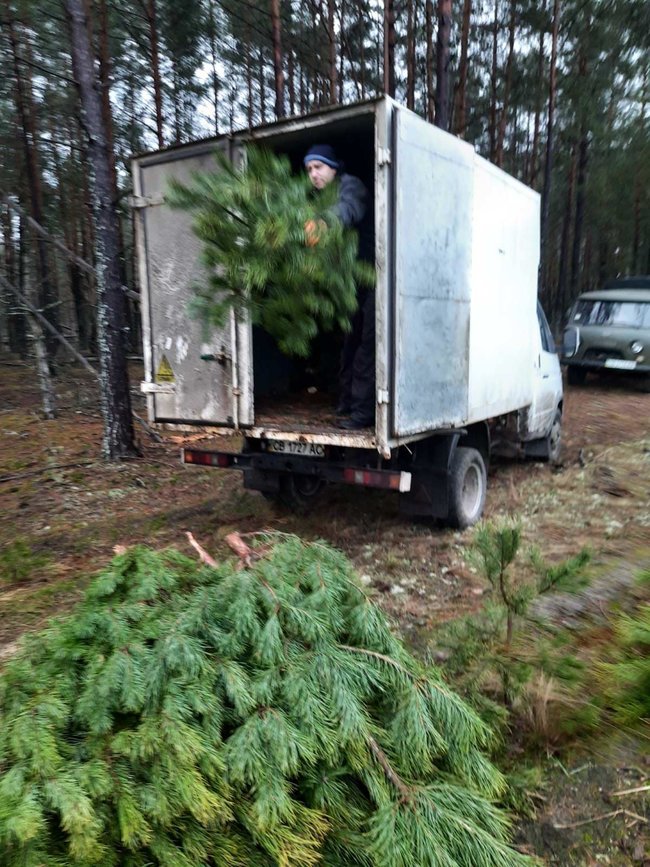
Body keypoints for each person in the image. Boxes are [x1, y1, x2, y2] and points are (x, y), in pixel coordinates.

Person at [303, 143, 375, 430]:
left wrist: (324, 224)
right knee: (349, 344)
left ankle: (363, 414)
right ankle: (346, 404)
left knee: (366, 347)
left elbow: (349, 210)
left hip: (371, 278)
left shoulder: (351, 186)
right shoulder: (319, 198)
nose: (313, 174)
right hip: (350, 283)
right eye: (309, 169)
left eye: (318, 167)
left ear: (333, 167)